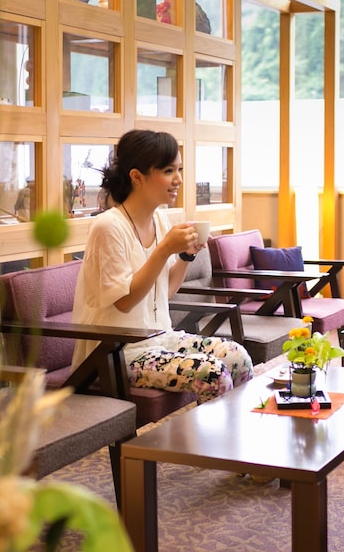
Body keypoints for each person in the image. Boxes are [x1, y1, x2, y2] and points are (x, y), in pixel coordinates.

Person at [72, 129, 253, 403]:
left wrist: (185, 256)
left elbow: (165, 291)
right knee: (212, 374)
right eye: (169, 170)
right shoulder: (108, 227)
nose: (178, 179)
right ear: (137, 177)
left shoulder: (159, 221)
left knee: (238, 357)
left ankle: (227, 439)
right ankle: (201, 446)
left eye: (178, 169)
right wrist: (165, 249)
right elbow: (124, 302)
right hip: (117, 353)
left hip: (160, 339)